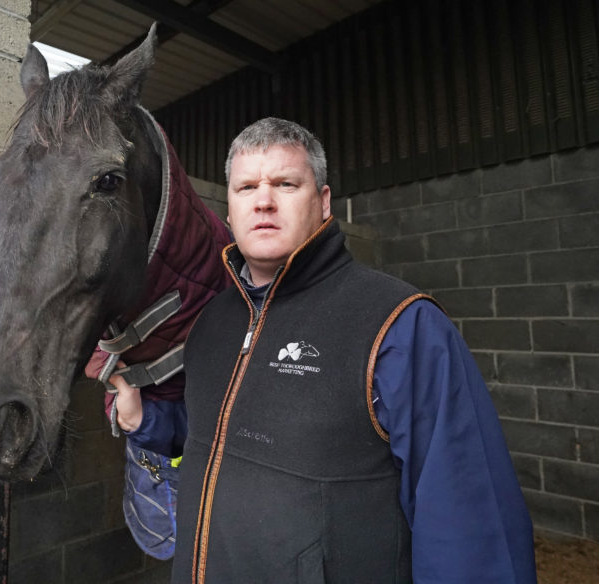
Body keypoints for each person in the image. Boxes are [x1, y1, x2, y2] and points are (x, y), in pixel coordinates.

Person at [160, 117, 536, 583]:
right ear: (230, 212)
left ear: (323, 203)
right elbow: (206, 436)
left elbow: (469, 524)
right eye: (246, 187)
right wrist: (144, 419)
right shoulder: (210, 323)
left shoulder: (401, 324)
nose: (263, 200)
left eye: (285, 184)